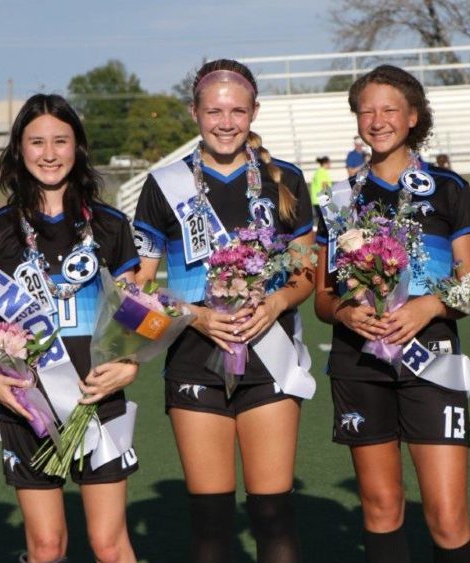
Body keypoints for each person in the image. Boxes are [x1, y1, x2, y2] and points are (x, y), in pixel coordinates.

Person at [132, 58, 316, 563]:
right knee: (211, 527)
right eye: (214, 110)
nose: (227, 122)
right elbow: (134, 291)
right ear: (194, 112)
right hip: (193, 361)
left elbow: (305, 273)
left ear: (255, 111)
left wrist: (276, 301)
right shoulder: (163, 184)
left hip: (271, 361)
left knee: (273, 516)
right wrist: (194, 314)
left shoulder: (288, 179)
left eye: (238, 110)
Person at [314, 65, 470, 563]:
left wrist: (428, 306)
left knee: (447, 515)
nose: (377, 119)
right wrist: (346, 315)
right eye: (366, 109)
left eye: (389, 109)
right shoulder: (338, 197)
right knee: (381, 507)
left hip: (432, 357)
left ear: (413, 116)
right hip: (359, 363)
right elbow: (324, 298)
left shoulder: (449, 187)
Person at [0, 93, 141, 563]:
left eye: (61, 140)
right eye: (37, 141)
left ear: (78, 147)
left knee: (109, 544)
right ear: (19, 150)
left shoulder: (110, 224)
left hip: (98, 398)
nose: (49, 153)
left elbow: (137, 311)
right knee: (47, 547)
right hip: (28, 407)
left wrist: (129, 365)